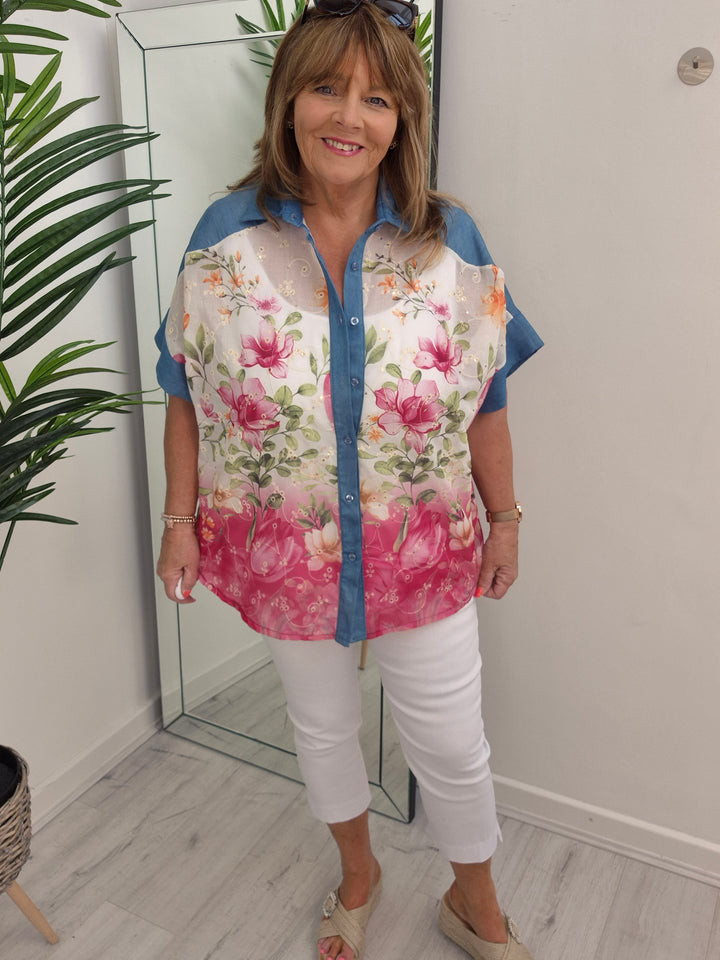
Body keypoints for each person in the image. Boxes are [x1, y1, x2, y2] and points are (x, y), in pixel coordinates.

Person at [155, 2, 543, 958]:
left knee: (450, 740)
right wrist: (178, 521)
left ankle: (475, 902)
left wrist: (505, 518)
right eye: (327, 87)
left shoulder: (450, 241)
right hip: (283, 550)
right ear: (289, 100)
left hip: (424, 548)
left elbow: (486, 396)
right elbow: (185, 390)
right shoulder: (223, 238)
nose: (348, 116)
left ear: (402, 118)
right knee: (322, 728)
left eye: (376, 98)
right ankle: (358, 872)